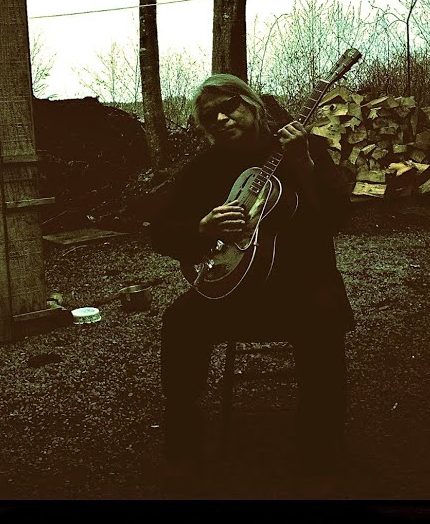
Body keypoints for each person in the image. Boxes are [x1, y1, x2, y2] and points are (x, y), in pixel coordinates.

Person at [149, 73, 355, 498]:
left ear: (252, 104)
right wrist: (201, 228)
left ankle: (318, 455)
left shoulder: (304, 148)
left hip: (301, 283)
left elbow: (337, 217)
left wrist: (304, 163)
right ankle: (183, 446)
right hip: (233, 289)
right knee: (180, 321)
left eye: (229, 107)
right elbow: (161, 232)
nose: (221, 119)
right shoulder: (205, 167)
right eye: (210, 116)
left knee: (323, 322)